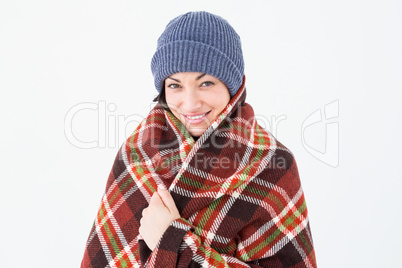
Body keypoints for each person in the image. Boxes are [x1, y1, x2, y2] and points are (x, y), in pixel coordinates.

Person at [81, 11, 317, 268]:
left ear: (233, 86)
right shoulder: (137, 152)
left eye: (206, 83)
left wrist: (172, 242)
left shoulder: (273, 165)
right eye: (175, 85)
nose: (190, 104)